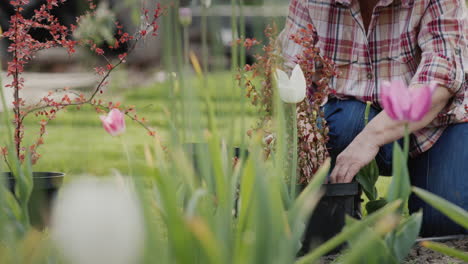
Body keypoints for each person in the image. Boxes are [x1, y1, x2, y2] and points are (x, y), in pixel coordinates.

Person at [280, 0, 468, 236]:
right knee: (344, 123)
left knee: (444, 224)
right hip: (348, 119)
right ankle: (345, 210)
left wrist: (369, 139)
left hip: (437, 122)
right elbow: (293, 73)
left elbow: (440, 81)